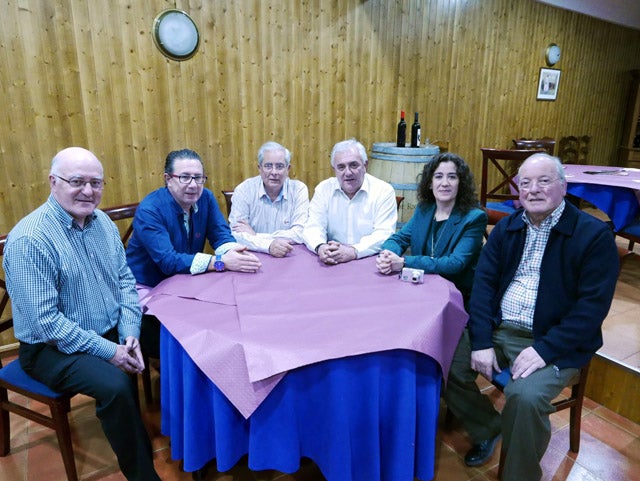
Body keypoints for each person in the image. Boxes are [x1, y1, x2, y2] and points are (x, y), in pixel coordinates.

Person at [443, 153, 619, 481]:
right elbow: (483, 288)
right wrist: (481, 341)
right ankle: (488, 427)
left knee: (524, 398)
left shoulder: (593, 236)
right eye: (525, 183)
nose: (533, 189)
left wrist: (544, 350)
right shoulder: (507, 228)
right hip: (500, 329)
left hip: (555, 341)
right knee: (442, 362)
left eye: (544, 181)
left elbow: (591, 309)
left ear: (563, 187)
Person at [2, 147, 161, 481]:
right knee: (115, 385)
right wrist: (111, 351)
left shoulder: (102, 223)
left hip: (107, 327)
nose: (88, 191)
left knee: (170, 337)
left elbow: (125, 281)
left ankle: (195, 438)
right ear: (53, 182)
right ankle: (144, 476)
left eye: (96, 183)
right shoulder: (30, 240)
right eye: (77, 181)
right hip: (49, 349)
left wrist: (130, 332)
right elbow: (47, 325)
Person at [126, 148, 262, 357]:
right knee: (193, 338)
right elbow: (168, 262)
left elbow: (220, 234)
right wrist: (221, 262)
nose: (193, 184)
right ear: (168, 179)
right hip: (149, 286)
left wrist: (235, 252)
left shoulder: (205, 197)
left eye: (198, 178)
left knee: (225, 319)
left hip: (185, 281)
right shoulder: (150, 210)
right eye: (184, 177)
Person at [376, 152, 487, 302]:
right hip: (421, 288)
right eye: (438, 176)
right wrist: (388, 255)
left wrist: (404, 262)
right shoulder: (424, 210)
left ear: (461, 183)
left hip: (456, 296)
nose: (445, 183)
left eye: (452, 177)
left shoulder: (474, 218)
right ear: (430, 183)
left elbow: (455, 264)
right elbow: (398, 239)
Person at [303, 138, 397, 264]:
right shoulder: (323, 189)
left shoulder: (383, 191)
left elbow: (384, 234)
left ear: (365, 165)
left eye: (353, 165)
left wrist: (353, 251)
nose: (348, 173)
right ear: (334, 170)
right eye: (341, 167)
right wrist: (321, 247)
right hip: (332, 259)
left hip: (369, 261)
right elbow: (313, 227)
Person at [228, 141, 309, 257]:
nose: (274, 172)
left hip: (288, 254)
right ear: (259, 168)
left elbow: (300, 232)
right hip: (252, 256)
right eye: (268, 166)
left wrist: (255, 235)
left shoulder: (298, 190)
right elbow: (236, 234)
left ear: (288, 169)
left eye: (280, 166)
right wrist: (269, 246)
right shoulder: (244, 190)